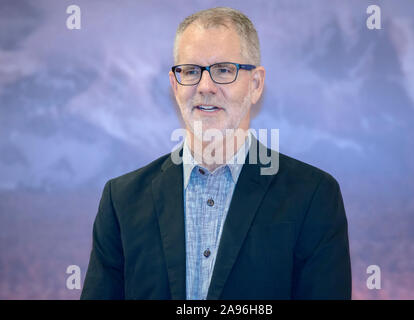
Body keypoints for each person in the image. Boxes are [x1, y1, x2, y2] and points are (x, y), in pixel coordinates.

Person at [81, 7, 351, 300]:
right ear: (174, 84)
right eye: (191, 71)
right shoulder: (121, 201)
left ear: (256, 84)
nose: (205, 86)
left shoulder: (313, 196)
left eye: (223, 70)